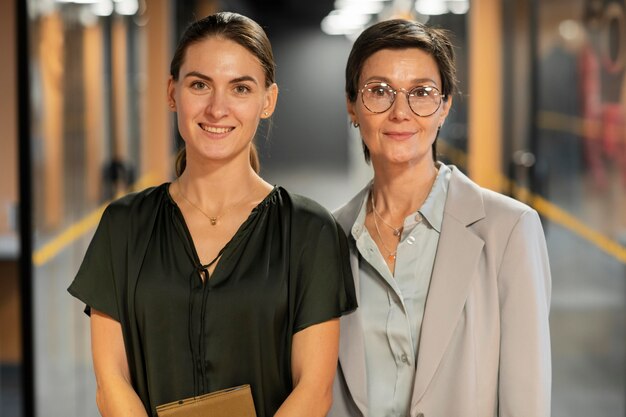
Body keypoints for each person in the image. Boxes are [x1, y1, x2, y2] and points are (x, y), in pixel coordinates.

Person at [68, 12, 356, 417]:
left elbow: (313, 390)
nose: (217, 108)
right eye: (200, 84)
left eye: (240, 88)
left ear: (267, 101)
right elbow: (111, 380)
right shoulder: (124, 225)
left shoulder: (308, 231)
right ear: (172, 93)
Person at [328, 19, 551, 417]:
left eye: (422, 93)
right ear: (352, 106)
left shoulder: (509, 230)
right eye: (379, 91)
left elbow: (526, 400)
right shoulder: (328, 237)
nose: (401, 112)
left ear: (445, 106)